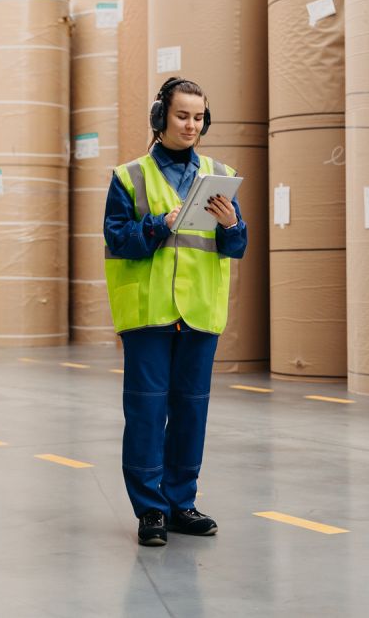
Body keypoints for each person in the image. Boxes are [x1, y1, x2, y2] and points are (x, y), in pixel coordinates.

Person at [103, 77, 248, 546]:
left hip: (200, 312)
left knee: (191, 412)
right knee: (146, 413)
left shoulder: (219, 173)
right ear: (160, 118)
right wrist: (157, 225)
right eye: (182, 115)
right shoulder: (129, 177)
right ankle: (150, 511)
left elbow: (236, 247)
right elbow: (116, 239)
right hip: (149, 313)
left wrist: (233, 224)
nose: (191, 125)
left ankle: (180, 502)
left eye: (199, 117)